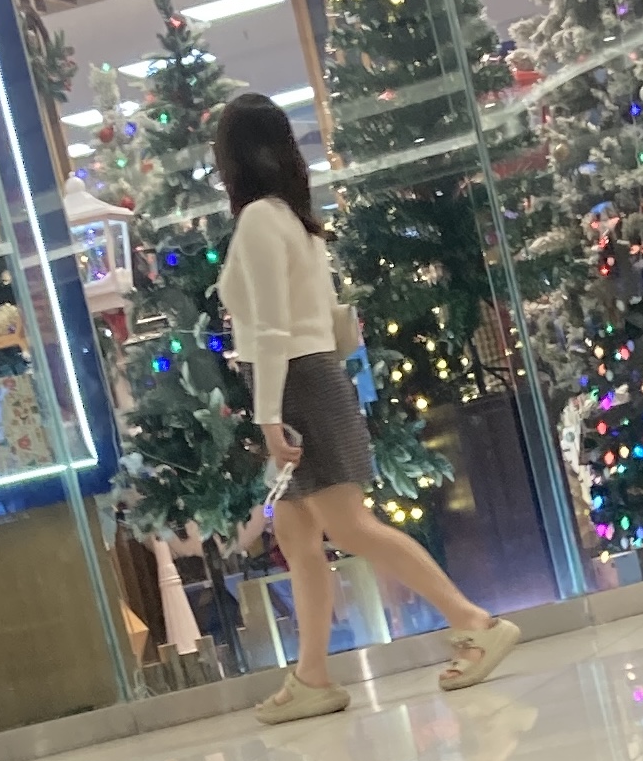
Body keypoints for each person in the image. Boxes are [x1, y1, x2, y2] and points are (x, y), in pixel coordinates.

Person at [216, 92, 520, 726]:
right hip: (309, 378)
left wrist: (268, 416)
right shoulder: (294, 221)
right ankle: (313, 675)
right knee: (297, 534)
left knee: (348, 525)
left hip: (297, 384)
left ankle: (474, 622)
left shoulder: (261, 222)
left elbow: (270, 330)